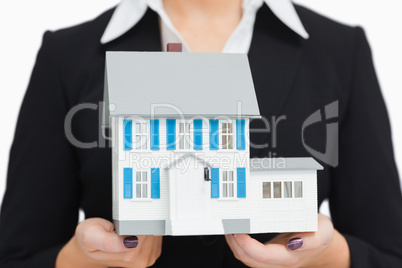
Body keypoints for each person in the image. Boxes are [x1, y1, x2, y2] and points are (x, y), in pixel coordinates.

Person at [1, 0, 402, 267]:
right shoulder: (67, 55)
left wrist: (328, 255)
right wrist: (81, 259)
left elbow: (387, 254)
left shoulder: (340, 50)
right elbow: (19, 256)